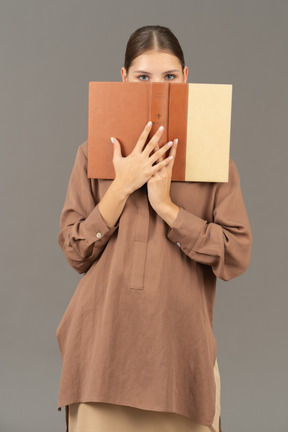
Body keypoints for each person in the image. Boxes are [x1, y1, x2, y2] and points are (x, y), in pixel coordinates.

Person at [56, 25, 252, 432]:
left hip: (181, 360)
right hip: (100, 358)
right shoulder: (92, 153)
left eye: (168, 76)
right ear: (124, 79)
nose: (155, 86)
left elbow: (235, 255)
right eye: (143, 77)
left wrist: (167, 207)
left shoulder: (214, 161)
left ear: (185, 78)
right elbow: (75, 252)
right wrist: (121, 187)